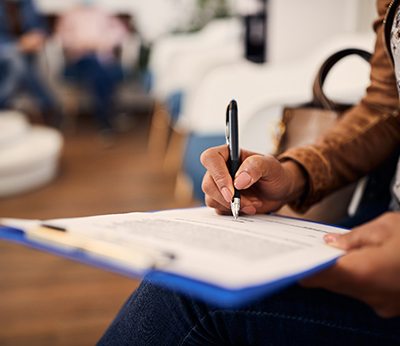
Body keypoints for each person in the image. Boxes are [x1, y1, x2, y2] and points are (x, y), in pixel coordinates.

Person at [98, 0, 400, 344]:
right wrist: (295, 172)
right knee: (194, 271)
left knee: (192, 296)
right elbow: (386, 107)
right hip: (382, 229)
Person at [56, 1, 128, 133]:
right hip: (80, 59)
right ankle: (108, 117)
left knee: (100, 72)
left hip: (102, 58)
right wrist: (82, 44)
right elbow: (62, 38)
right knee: (98, 69)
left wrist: (103, 42)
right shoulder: (70, 15)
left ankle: (105, 119)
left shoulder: (103, 13)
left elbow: (120, 32)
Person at [0, 0, 62, 128]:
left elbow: (41, 26)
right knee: (16, 61)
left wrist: (37, 36)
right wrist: (18, 45)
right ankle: (48, 105)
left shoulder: (28, 3)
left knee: (19, 64)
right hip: (4, 54)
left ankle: (3, 104)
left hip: (27, 55)